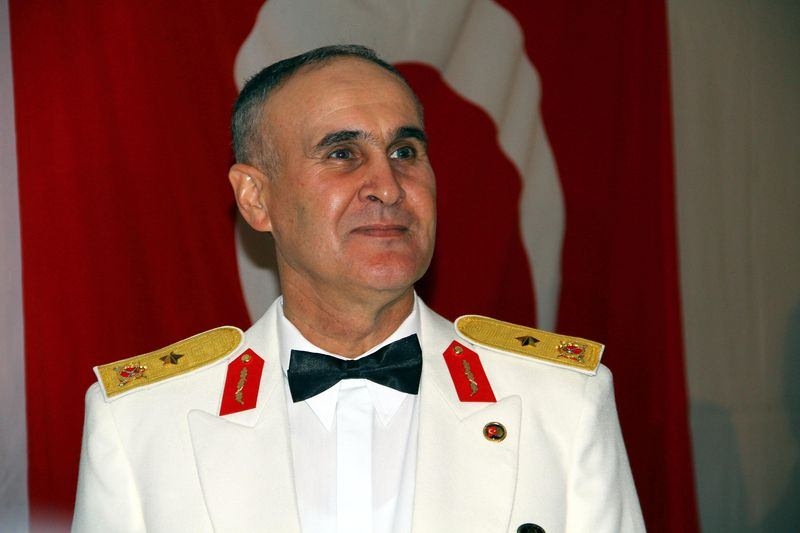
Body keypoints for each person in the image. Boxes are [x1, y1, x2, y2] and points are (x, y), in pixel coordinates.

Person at [72, 44, 645, 533]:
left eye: (404, 152)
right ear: (256, 198)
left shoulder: (562, 402)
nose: (388, 187)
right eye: (343, 154)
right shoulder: (142, 422)